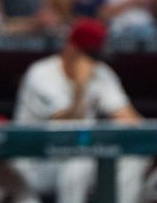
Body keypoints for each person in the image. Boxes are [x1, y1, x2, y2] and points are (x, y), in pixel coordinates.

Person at [13, 18, 149, 203]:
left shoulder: (101, 72)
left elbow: (127, 118)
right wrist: (80, 87)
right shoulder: (41, 74)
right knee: (80, 161)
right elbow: (66, 125)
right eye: (90, 55)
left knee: (133, 159)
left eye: (96, 56)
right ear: (71, 48)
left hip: (76, 157)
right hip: (35, 162)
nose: (93, 63)